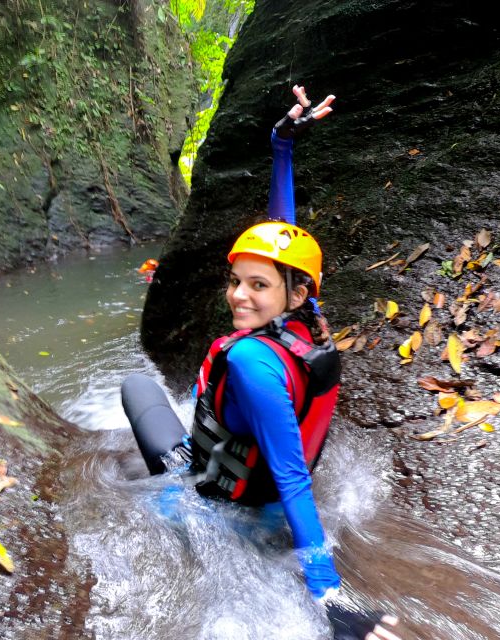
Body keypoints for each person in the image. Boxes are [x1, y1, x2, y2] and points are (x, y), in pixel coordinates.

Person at [122, 86, 401, 640]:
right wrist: (282, 148)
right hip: (264, 501)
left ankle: (177, 510)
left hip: (221, 510)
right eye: (235, 281)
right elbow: (284, 237)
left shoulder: (252, 360)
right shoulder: (305, 319)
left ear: (292, 293)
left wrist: (329, 593)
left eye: (256, 285)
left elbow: (294, 477)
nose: (238, 296)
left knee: (135, 388)